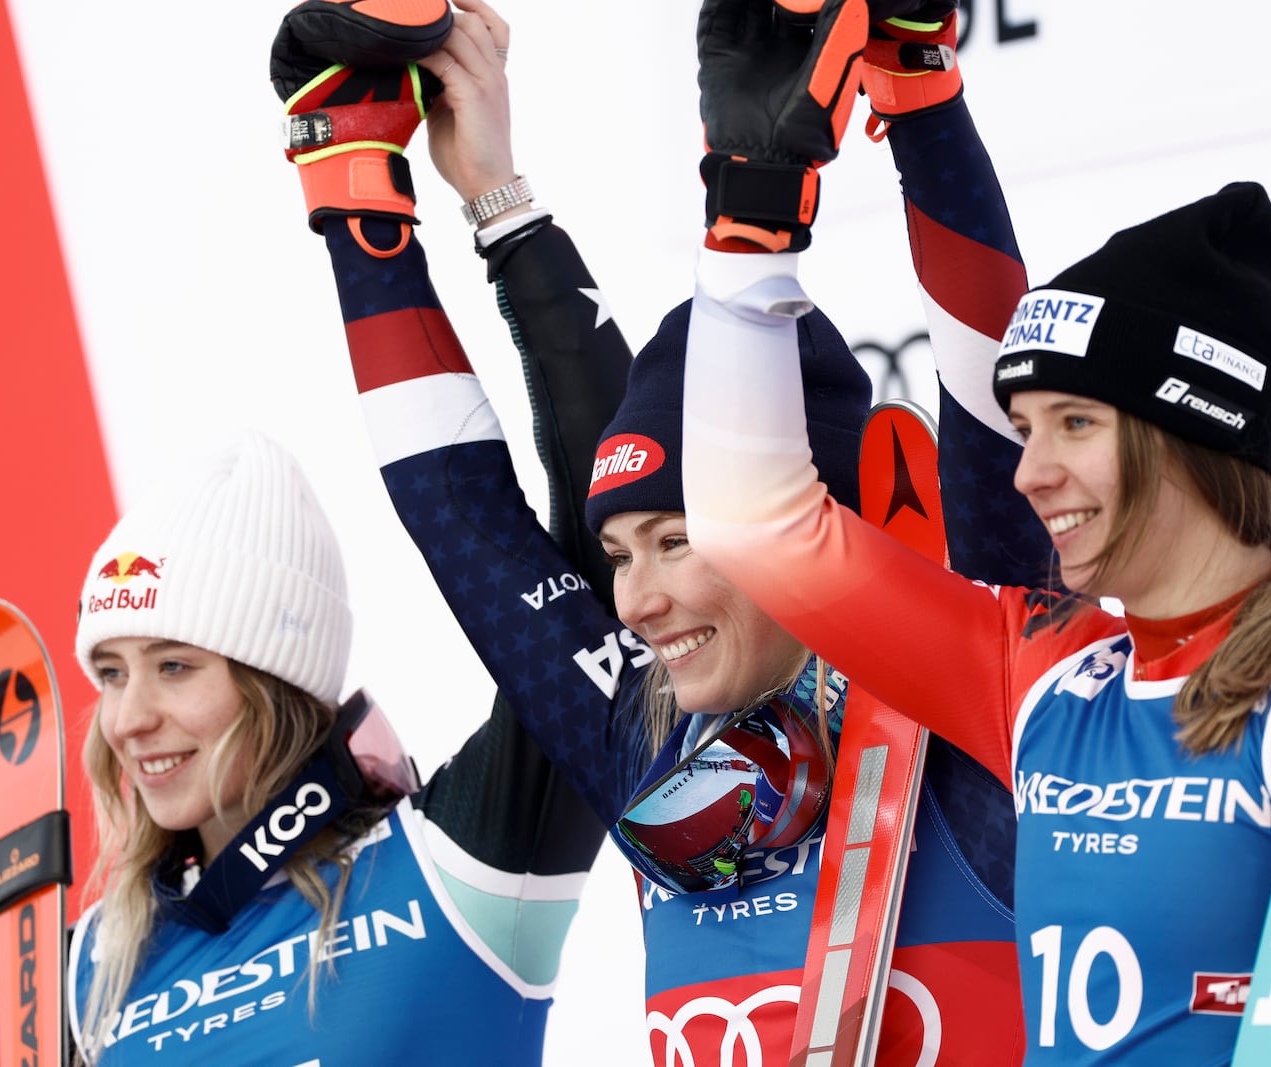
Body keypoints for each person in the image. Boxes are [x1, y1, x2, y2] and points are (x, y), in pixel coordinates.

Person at [676, 12, 1271, 1065]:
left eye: (1076, 424)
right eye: (1022, 427)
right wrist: (750, 228)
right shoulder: (1048, 672)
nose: (1027, 471)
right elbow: (752, 525)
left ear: (1192, 436)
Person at [289, 1, 1051, 1062]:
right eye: (616, 552)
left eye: (678, 540)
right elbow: (456, 510)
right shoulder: (652, 744)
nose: (636, 602)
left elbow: (990, 388)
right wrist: (361, 189)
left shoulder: (981, 708)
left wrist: (917, 82)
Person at [64, 7, 624, 1061]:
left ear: (276, 677)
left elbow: (610, 538)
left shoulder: (461, 863)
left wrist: (479, 209)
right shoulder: (99, 958)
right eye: (109, 669)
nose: (131, 717)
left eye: (175, 663)